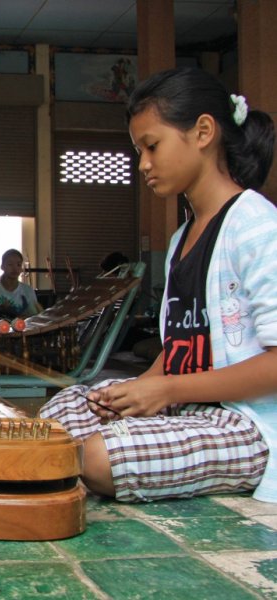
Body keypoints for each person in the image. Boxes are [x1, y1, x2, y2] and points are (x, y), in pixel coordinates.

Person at [40, 67, 277, 503]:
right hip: (186, 408)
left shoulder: (256, 225)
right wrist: (135, 390)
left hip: (243, 423)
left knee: (99, 457)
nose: (143, 164)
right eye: (138, 150)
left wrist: (166, 390)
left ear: (203, 132)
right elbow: (184, 346)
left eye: (152, 146)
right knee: (61, 412)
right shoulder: (180, 240)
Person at [0, 249, 42, 318]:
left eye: (18, 265)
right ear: (2, 267)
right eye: (10, 264)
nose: (15, 268)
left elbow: (35, 316)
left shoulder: (28, 290)